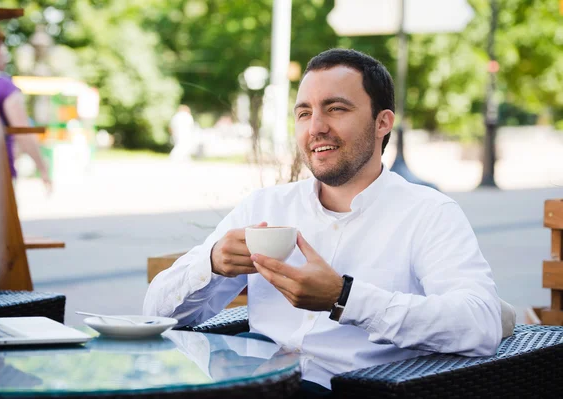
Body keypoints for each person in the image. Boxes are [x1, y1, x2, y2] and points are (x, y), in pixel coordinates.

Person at [144, 49, 508, 396]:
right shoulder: (266, 206)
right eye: (304, 113)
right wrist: (211, 263)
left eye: (335, 109)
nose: (315, 127)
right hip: (255, 382)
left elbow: (480, 323)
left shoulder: (428, 213)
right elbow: (155, 314)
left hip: (352, 388)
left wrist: (344, 298)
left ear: (383, 122)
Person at [0, 27, 52, 193]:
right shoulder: (3, 86)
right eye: (2, 50)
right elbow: (23, 132)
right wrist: (42, 168)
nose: (6, 56)